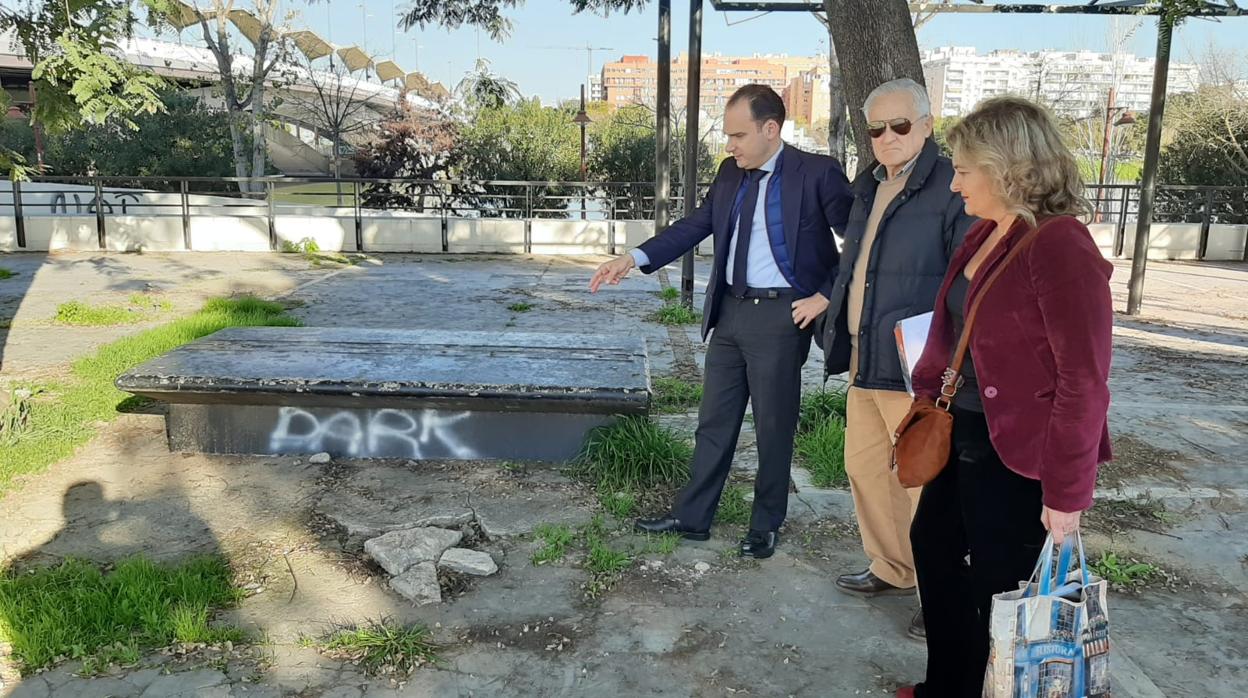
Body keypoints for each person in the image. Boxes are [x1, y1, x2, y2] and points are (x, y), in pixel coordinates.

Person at [897, 95, 1113, 698]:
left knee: (1001, 583)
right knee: (934, 551)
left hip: (1020, 455)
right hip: (962, 432)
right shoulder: (986, 233)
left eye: (965, 170)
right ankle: (948, 685)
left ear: (1008, 168)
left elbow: (1084, 379)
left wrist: (1067, 493)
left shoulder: (1060, 245)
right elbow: (956, 325)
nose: (955, 183)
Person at [590, 84, 853, 559]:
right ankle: (693, 518)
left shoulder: (816, 173)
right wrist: (633, 258)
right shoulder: (731, 173)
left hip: (782, 315)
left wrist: (825, 296)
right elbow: (696, 224)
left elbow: (859, 241)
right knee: (713, 421)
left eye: (738, 135)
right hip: (729, 311)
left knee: (773, 426)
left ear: (770, 130)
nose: (729, 145)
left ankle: (765, 523)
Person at [820, 78, 974, 640]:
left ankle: (940, 594)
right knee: (865, 470)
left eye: (900, 125)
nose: (887, 137)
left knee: (923, 485)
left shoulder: (952, 186)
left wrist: (946, 360)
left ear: (928, 125)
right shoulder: (870, 185)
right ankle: (893, 567)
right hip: (866, 358)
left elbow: (967, 277)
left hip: (918, 369)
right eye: (876, 128)